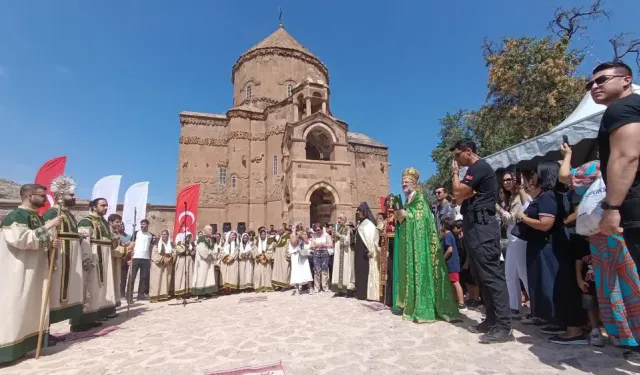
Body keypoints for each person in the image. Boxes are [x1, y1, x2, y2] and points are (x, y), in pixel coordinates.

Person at [560, 144, 640, 350]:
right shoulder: (629, 162)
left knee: (608, 287)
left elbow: (563, 176)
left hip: (599, 234)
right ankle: (634, 337)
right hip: (623, 229)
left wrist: (567, 154)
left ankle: (621, 335)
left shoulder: (595, 167)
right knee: (632, 284)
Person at [517, 163, 587, 345]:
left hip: (552, 248)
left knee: (562, 286)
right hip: (552, 246)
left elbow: (546, 223)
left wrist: (523, 217)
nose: (534, 177)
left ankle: (574, 331)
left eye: (536, 174)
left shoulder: (548, 196)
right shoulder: (552, 195)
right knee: (555, 286)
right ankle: (561, 323)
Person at [451, 139, 511, 343]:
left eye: (458, 155)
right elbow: (459, 198)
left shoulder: (479, 167)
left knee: (492, 276)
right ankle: (492, 319)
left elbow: (458, 192)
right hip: (475, 227)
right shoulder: (475, 170)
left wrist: (454, 174)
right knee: (481, 276)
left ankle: (504, 326)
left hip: (483, 227)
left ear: (469, 151)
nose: (456, 160)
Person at [0, 184, 62, 363]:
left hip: (35, 270)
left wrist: (51, 244)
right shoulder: (15, 215)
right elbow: (19, 239)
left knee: (30, 307)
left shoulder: (37, 217)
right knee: (15, 307)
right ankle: (6, 350)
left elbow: (39, 239)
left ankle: (24, 346)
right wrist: (50, 225)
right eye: (42, 196)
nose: (45, 199)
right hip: (18, 270)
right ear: (28, 195)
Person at [394, 167, 459, 323]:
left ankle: (423, 306)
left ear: (414, 184)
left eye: (407, 182)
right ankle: (413, 303)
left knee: (420, 270)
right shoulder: (409, 200)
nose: (404, 184)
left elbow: (421, 219)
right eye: (402, 182)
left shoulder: (420, 199)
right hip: (411, 243)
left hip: (420, 245)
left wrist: (406, 215)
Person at [42, 176, 84, 329]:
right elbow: (46, 233)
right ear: (60, 195)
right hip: (59, 258)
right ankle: (46, 329)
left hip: (71, 258)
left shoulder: (69, 214)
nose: (74, 197)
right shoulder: (52, 213)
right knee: (54, 291)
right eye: (71, 195)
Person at [71, 198, 116, 331]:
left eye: (107, 205)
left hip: (104, 257)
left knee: (97, 289)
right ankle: (79, 322)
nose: (106, 207)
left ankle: (92, 316)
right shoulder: (87, 221)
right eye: (103, 205)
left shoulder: (103, 222)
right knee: (88, 288)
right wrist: (86, 259)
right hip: (93, 257)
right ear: (94, 207)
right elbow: (85, 242)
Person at [496, 171, 531, 319]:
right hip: (511, 240)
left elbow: (512, 219)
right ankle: (514, 308)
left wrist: (497, 208)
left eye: (509, 179)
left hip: (520, 238)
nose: (506, 182)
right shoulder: (509, 199)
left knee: (524, 274)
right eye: (504, 180)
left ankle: (535, 308)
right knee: (509, 275)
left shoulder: (521, 197)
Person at [353, 203, 381, 301]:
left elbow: (372, 239)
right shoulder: (361, 223)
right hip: (358, 252)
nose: (358, 212)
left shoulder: (369, 224)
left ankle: (365, 293)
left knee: (364, 272)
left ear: (364, 212)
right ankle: (360, 293)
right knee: (359, 272)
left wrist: (370, 250)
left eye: (360, 210)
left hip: (365, 253)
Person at [440, 217, 465, 309]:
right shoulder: (448, 235)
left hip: (451, 264)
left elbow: (450, 250)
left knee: (455, 282)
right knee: (452, 282)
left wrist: (443, 259)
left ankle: (461, 302)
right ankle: (455, 300)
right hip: (451, 263)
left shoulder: (448, 236)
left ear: (444, 225)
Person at [130, 219, 155, 301]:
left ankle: (140, 295)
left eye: (143, 224)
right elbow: (131, 244)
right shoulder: (136, 233)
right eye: (141, 224)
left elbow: (153, 246)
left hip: (146, 258)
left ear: (147, 225)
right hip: (136, 257)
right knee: (132, 277)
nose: (142, 226)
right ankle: (129, 296)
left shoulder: (151, 235)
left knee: (143, 277)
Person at [331, 214, 355, 296]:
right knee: (337, 270)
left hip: (345, 253)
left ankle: (345, 290)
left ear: (345, 220)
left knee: (345, 270)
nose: (338, 220)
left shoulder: (347, 229)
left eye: (340, 218)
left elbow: (348, 241)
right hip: (338, 252)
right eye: (338, 218)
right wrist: (334, 237)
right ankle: (338, 289)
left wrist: (339, 236)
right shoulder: (339, 228)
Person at [380, 194, 397, 307]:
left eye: (392, 202)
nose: (389, 204)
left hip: (395, 247)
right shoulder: (385, 221)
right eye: (388, 202)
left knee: (395, 271)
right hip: (386, 249)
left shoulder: (397, 218)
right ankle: (388, 298)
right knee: (388, 272)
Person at [107, 214, 127, 307]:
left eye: (120, 222)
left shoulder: (116, 233)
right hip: (110, 261)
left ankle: (114, 304)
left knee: (116, 281)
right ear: (111, 222)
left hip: (116, 262)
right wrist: (127, 249)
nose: (119, 224)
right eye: (117, 222)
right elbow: (111, 250)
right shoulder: (108, 233)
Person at [193, 225, 218, 298]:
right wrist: (209, 255)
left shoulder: (210, 240)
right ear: (205, 230)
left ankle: (207, 291)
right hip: (203, 261)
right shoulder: (201, 239)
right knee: (202, 276)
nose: (211, 231)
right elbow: (202, 250)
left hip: (209, 261)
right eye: (209, 229)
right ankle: (200, 293)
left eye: (211, 230)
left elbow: (212, 249)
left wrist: (213, 254)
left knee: (208, 276)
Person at [150, 230, 174, 302]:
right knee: (156, 280)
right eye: (162, 234)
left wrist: (170, 258)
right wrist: (163, 259)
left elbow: (174, 252)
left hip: (167, 265)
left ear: (168, 236)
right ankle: (154, 297)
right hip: (157, 265)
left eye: (165, 234)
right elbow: (154, 254)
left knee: (165, 280)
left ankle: (163, 296)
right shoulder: (157, 243)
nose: (163, 235)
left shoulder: (171, 244)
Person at [310, 223, 333, 293]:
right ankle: (317, 287)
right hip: (316, 253)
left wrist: (324, 245)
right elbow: (311, 246)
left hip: (324, 253)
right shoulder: (314, 236)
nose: (318, 231)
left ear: (321, 228)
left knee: (324, 270)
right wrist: (316, 245)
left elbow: (331, 244)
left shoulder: (326, 235)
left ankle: (325, 286)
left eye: (318, 230)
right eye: (316, 230)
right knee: (317, 270)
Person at [289, 230, 312, 295]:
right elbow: (294, 244)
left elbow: (307, 242)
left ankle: (310, 287)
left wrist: (302, 236)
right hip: (295, 255)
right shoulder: (291, 236)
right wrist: (297, 236)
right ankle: (297, 289)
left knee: (306, 270)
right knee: (296, 272)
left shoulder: (302, 236)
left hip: (303, 255)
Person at [174, 233, 195, 298]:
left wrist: (192, 251)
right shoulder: (179, 243)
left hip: (189, 260)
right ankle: (180, 293)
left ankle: (188, 292)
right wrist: (185, 245)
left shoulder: (190, 245)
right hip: (181, 260)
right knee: (181, 276)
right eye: (187, 237)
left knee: (189, 276)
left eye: (189, 237)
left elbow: (191, 252)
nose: (188, 238)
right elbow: (180, 250)